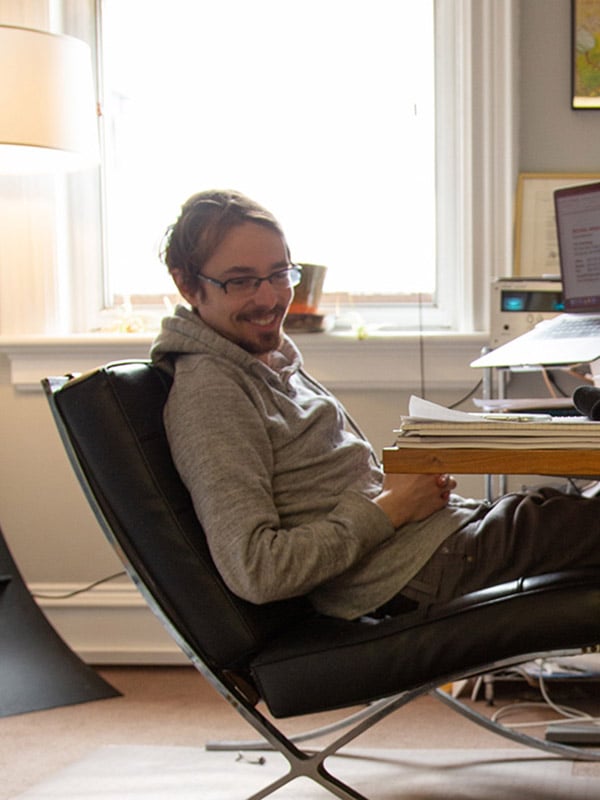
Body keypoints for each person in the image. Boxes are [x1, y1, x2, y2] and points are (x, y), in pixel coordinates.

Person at [151, 189, 600, 621]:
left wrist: (404, 493)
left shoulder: (264, 360)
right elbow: (258, 571)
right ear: (188, 284)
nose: (269, 298)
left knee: (568, 505)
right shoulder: (212, 394)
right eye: (242, 281)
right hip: (415, 572)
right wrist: (392, 507)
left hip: (439, 539)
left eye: (279, 274)